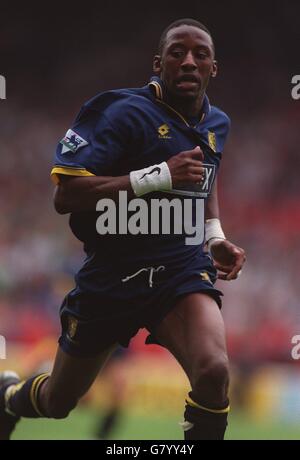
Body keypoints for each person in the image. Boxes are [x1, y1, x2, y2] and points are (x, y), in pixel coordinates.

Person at [0, 18, 245, 440]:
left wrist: (214, 235)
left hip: (178, 271)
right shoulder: (119, 112)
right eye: (177, 53)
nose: (188, 62)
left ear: (213, 68)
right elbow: (66, 196)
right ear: (158, 63)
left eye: (200, 55)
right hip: (111, 277)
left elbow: (205, 178)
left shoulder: (217, 124)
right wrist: (157, 176)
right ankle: (8, 397)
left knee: (214, 371)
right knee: (59, 402)